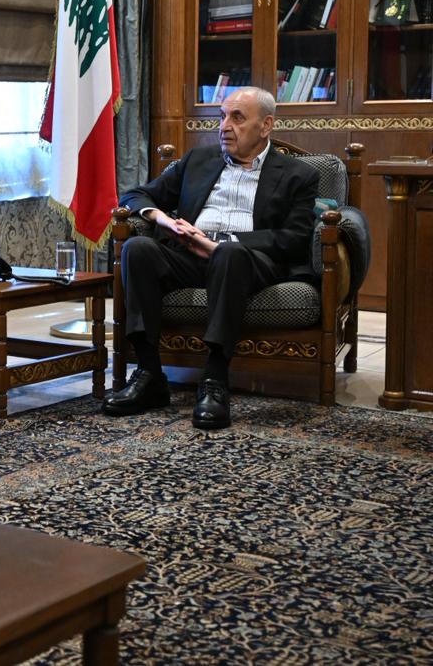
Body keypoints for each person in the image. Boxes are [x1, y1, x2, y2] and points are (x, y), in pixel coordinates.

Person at [104, 86, 318, 429]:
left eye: (237, 118)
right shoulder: (198, 160)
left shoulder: (298, 174)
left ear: (265, 126)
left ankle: (215, 379)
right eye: (222, 117)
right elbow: (136, 195)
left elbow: (294, 238)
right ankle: (149, 374)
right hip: (188, 255)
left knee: (229, 254)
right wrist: (164, 221)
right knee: (137, 249)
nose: (224, 127)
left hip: (247, 261)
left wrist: (218, 244)